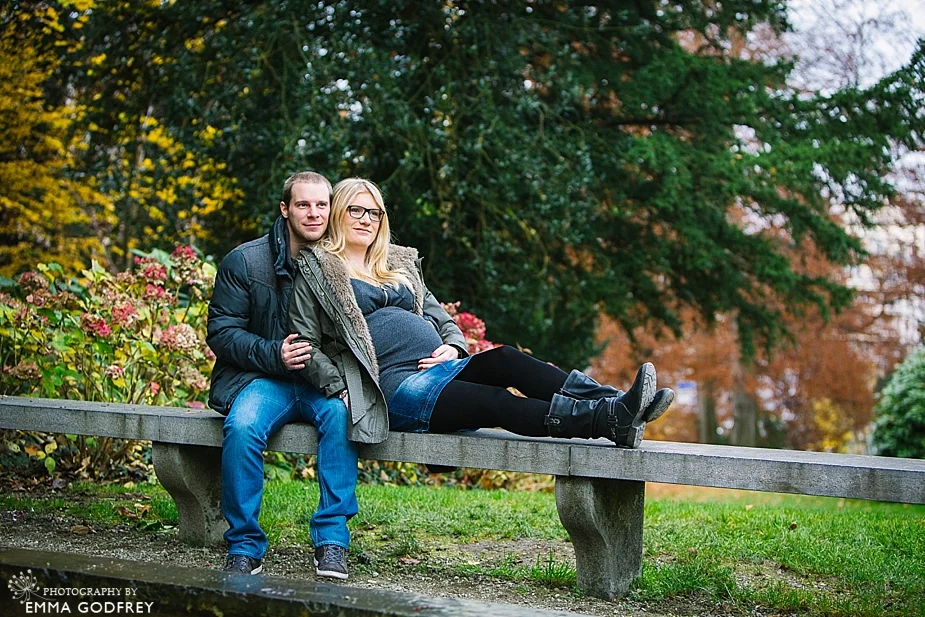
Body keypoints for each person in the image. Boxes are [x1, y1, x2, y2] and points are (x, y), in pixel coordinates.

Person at [288, 177, 674, 451]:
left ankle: (618, 403)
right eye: (355, 210)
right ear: (338, 214)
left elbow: (442, 318)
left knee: (505, 358)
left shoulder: (397, 266)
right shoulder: (320, 271)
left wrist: (454, 346)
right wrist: (341, 390)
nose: (366, 219)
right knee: (495, 401)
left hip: (438, 368)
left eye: (374, 213)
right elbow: (306, 343)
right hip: (391, 386)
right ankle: (606, 420)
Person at [207, 171, 357, 581]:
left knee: (341, 417)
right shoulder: (245, 261)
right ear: (285, 209)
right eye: (303, 204)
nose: (314, 213)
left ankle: (332, 542)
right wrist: (275, 353)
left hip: (320, 381)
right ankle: (243, 546)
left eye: (322, 204)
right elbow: (221, 332)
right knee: (242, 425)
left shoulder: (342, 259)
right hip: (261, 377)